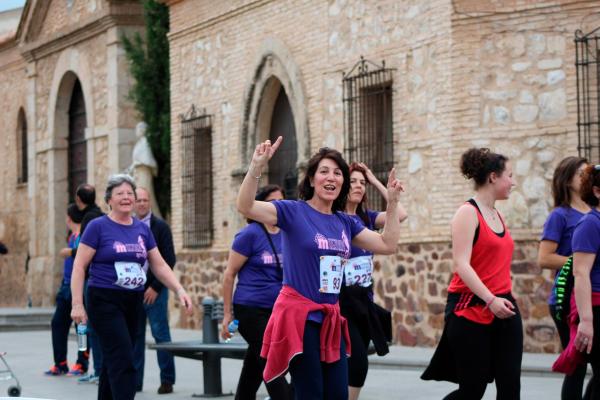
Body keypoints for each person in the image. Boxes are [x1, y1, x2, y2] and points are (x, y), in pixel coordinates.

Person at [236, 138, 404, 400]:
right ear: (312, 179)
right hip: (299, 318)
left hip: (331, 318)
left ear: (342, 184)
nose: (331, 177)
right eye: (324, 171)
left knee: (337, 393)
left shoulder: (345, 222)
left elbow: (388, 243)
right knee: (310, 392)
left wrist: (392, 204)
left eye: (338, 173)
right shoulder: (293, 211)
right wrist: (256, 167)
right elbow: (246, 206)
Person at [70, 174, 192, 400]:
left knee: (112, 360)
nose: (126, 198)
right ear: (109, 200)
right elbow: (79, 266)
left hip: (133, 301)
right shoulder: (98, 227)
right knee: (125, 359)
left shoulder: (142, 229)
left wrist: (179, 289)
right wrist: (77, 304)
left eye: (130, 194)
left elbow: (159, 264)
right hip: (104, 299)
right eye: (120, 194)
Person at [421, 147, 521, 399]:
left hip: (504, 306)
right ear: (493, 177)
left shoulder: (497, 214)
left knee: (510, 387)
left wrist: (503, 297)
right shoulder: (467, 212)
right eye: (510, 175)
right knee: (472, 390)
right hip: (471, 309)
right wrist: (490, 299)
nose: (514, 182)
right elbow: (461, 265)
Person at [341, 162, 407, 400]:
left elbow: (399, 214)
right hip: (340, 303)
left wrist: (376, 179)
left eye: (362, 182)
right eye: (353, 181)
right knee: (357, 363)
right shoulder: (333, 219)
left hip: (364, 302)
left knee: (355, 364)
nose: (359, 186)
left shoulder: (366, 219)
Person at [221, 184, 292, 400]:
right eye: (272, 202)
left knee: (255, 365)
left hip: (277, 310)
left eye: (281, 202)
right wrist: (227, 314)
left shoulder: (287, 234)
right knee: (273, 364)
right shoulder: (249, 235)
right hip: (250, 309)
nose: (276, 206)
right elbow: (229, 274)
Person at [538, 156, 591, 400]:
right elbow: (545, 258)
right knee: (577, 366)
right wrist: (579, 261)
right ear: (568, 181)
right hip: (566, 298)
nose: (587, 177)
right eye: (581, 173)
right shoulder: (559, 215)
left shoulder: (595, 211)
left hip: (593, 295)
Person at [554, 164, 600, 397]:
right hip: (596, 308)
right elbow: (581, 273)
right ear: (597, 191)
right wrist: (587, 321)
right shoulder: (591, 223)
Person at [132, 187, 177, 395]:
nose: (141, 203)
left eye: (145, 200)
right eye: (138, 200)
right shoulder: (127, 226)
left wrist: (155, 287)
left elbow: (169, 259)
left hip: (155, 291)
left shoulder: (161, 227)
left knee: (161, 334)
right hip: (132, 291)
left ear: (149, 202)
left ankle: (167, 380)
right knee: (135, 337)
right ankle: (135, 381)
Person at [45, 204, 88, 376]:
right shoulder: (72, 236)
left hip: (78, 287)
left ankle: (82, 362)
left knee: (82, 327)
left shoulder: (82, 237)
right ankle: (60, 362)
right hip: (66, 286)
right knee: (58, 323)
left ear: (69, 218)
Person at [73, 183, 105, 383]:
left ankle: (99, 370)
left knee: (94, 327)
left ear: (79, 200)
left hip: (93, 279)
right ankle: (100, 370)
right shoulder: (101, 216)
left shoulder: (89, 220)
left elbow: (85, 255)